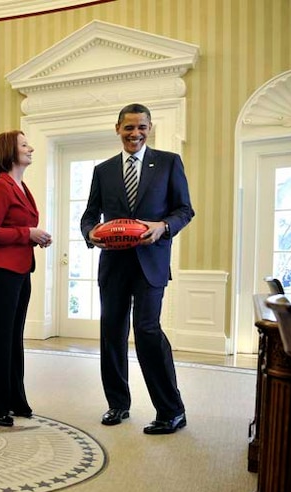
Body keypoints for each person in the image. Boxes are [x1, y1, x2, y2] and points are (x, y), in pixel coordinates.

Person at [80, 103, 195, 435]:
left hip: (152, 263)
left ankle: (171, 410)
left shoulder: (169, 163)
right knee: (111, 333)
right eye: (129, 128)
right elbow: (90, 214)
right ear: (117, 128)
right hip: (114, 265)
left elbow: (185, 209)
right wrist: (90, 234)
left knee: (146, 331)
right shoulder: (103, 170)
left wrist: (162, 226)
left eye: (142, 127)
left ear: (150, 127)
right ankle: (118, 403)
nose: (135, 134)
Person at [0, 130, 52, 427]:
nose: (31, 148)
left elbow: (18, 228)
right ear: (10, 151)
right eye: (24, 145)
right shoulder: (0, 188)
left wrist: (35, 238)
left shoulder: (21, 187)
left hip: (20, 269)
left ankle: (14, 400)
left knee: (12, 338)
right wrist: (28, 233)